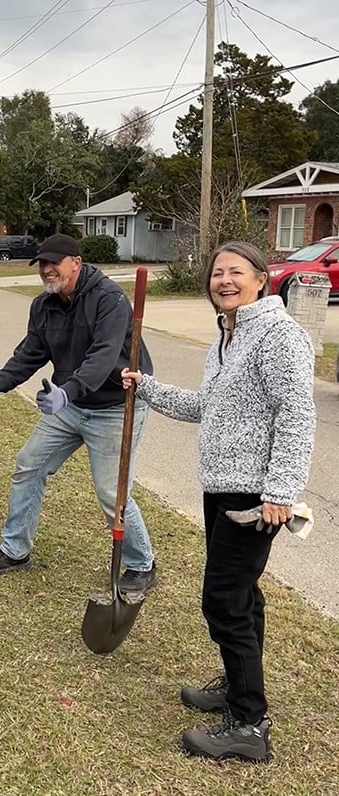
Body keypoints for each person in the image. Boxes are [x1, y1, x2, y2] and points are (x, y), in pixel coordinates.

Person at [122, 241, 315, 763]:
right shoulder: (229, 337)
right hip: (222, 485)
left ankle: (249, 725)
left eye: (235, 272)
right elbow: (206, 406)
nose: (223, 280)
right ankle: (236, 685)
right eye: (216, 273)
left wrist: (280, 490)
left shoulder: (278, 336)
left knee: (224, 602)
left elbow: (296, 414)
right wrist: (146, 388)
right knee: (243, 598)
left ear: (262, 279)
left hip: (254, 495)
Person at [0, 233, 157, 593]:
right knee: (29, 464)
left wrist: (66, 393)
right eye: (43, 264)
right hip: (70, 404)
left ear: (76, 263)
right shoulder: (44, 306)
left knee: (111, 492)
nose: (48, 270)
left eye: (55, 262)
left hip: (117, 405)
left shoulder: (109, 300)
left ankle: (141, 564)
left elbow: (102, 359)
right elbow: (30, 353)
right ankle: (15, 549)